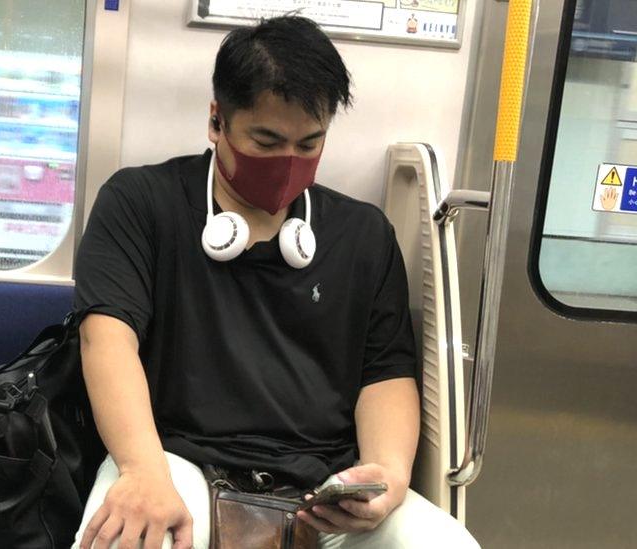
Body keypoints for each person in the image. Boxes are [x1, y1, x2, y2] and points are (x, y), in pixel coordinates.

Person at [72, 16, 479, 549]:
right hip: (176, 461)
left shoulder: (363, 235)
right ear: (217, 121)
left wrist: (386, 473)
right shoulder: (141, 203)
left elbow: (385, 374)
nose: (288, 163)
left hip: (322, 485)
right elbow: (105, 338)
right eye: (266, 140)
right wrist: (141, 469)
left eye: (309, 145)